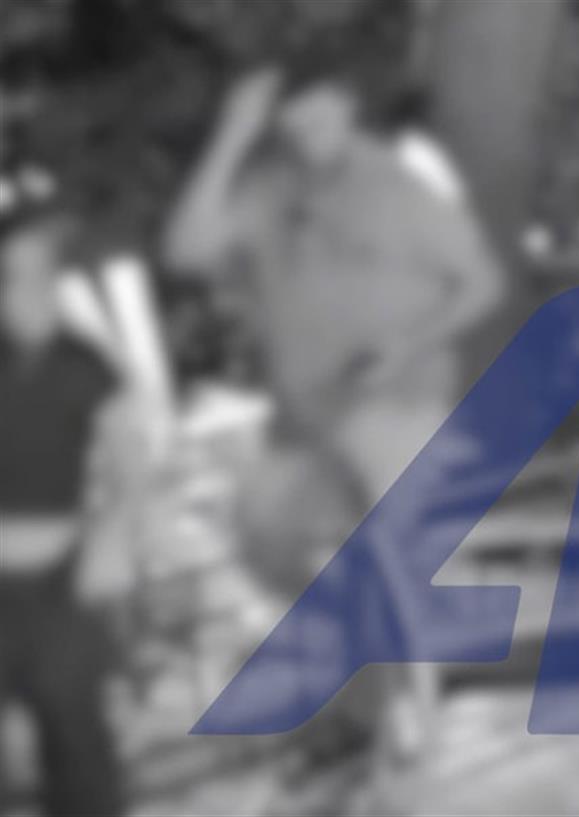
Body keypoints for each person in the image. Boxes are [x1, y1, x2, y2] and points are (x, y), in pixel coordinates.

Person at [162, 56, 505, 789]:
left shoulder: (401, 183)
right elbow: (185, 249)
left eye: (322, 109)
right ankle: (369, 707)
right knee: (264, 530)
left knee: (395, 565)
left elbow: (482, 283)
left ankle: (422, 746)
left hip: (397, 402)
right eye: (295, 114)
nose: (310, 126)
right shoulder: (268, 188)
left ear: (349, 105)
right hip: (304, 417)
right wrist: (232, 131)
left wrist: (407, 345)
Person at [0, 212, 144, 817]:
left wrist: (114, 536)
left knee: (81, 752)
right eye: (14, 275)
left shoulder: (84, 363)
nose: (30, 289)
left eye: (43, 273)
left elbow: (132, 462)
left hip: (62, 580)